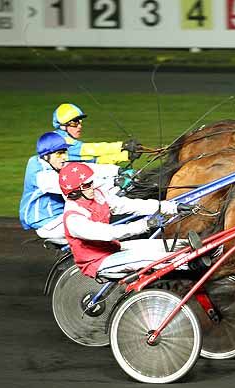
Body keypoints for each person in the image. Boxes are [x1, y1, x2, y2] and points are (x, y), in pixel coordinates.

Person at [59, 162, 191, 279]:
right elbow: (109, 233)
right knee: (163, 258)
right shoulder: (74, 218)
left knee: (175, 245)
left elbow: (131, 205)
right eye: (87, 185)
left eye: (91, 183)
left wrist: (173, 207)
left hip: (113, 247)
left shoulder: (97, 195)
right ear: (74, 191)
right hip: (98, 262)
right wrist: (145, 225)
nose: (92, 187)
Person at [19, 132, 120, 243]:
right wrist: (115, 182)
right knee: (103, 222)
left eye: (64, 153)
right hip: (49, 224)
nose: (64, 157)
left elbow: (85, 168)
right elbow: (78, 184)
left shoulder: (53, 162)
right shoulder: (41, 175)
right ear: (46, 155)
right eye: (59, 153)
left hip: (62, 216)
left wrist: (118, 170)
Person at [52, 103, 143, 164]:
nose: (79, 126)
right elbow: (91, 149)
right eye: (75, 122)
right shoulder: (59, 140)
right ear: (62, 125)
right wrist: (122, 146)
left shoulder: (72, 144)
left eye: (80, 122)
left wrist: (125, 156)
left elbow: (94, 161)